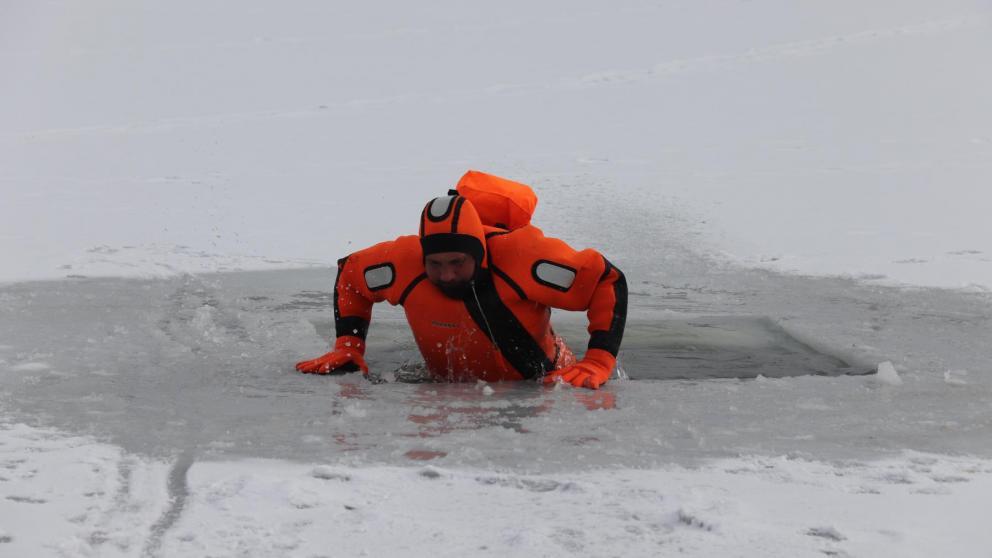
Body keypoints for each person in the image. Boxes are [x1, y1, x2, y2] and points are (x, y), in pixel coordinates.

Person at [295, 171, 627, 389]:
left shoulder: (524, 257)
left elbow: (604, 280)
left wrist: (599, 360)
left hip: (544, 382)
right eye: (435, 264)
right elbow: (352, 276)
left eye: (458, 262)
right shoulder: (403, 262)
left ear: (480, 252)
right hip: (449, 392)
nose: (447, 274)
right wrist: (348, 346)